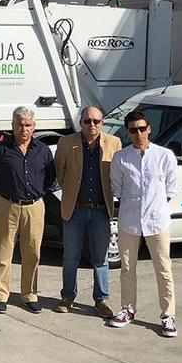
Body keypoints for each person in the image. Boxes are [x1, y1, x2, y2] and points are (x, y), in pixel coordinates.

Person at [108, 110, 179, 337]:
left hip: (157, 222)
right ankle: (128, 309)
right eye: (133, 130)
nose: (138, 133)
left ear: (149, 129)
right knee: (127, 269)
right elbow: (117, 189)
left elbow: (170, 189)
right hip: (129, 222)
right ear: (128, 133)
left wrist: (153, 207)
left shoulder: (165, 156)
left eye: (142, 128)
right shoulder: (120, 158)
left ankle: (168, 316)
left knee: (163, 269)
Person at [0, 106, 55, 314]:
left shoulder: (43, 150)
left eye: (28, 125)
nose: (24, 129)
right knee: (2, 252)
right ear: (13, 125)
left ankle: (29, 294)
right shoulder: (0, 149)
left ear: (34, 126)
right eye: (20, 125)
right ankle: (0, 294)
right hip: (6, 205)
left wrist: (38, 192)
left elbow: (50, 177)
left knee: (32, 253)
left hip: (34, 207)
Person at [54, 106, 121, 317]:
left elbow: (118, 174)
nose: (92, 125)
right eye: (87, 121)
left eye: (96, 121)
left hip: (101, 211)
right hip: (75, 210)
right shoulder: (67, 143)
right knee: (70, 257)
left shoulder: (113, 143)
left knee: (100, 258)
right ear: (80, 122)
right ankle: (67, 296)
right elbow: (60, 173)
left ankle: (101, 300)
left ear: (102, 123)